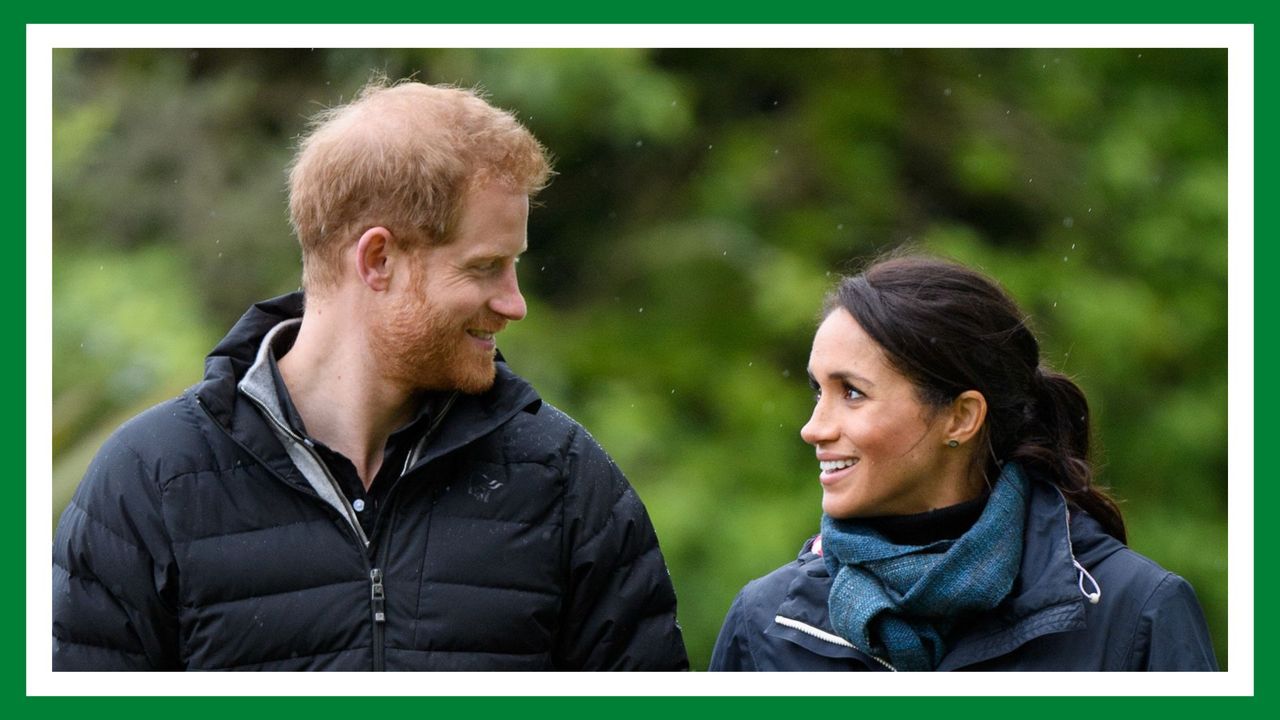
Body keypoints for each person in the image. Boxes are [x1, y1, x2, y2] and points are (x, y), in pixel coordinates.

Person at [52, 80, 688, 671]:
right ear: (378, 258)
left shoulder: (566, 481)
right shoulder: (148, 483)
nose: (514, 303)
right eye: (486, 266)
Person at [708, 255, 1217, 671]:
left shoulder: (1135, 612)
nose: (814, 428)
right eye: (819, 391)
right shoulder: (766, 625)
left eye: (853, 394)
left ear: (962, 417)